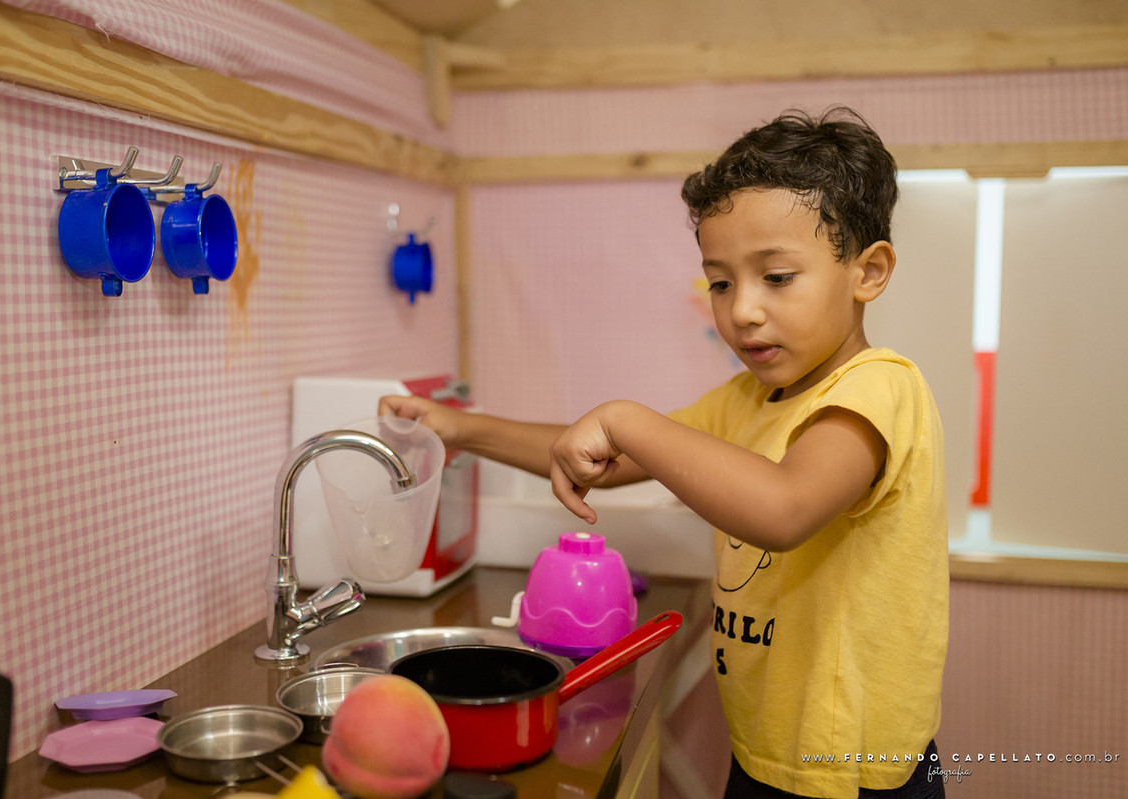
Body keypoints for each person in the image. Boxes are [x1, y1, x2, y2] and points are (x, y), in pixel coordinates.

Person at [380, 106, 949, 799]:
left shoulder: (880, 388)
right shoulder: (747, 399)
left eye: (776, 277)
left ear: (869, 271)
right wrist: (462, 429)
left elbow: (783, 508)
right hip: (768, 749)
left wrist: (625, 417)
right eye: (721, 282)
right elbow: (606, 457)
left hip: (849, 769)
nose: (741, 310)